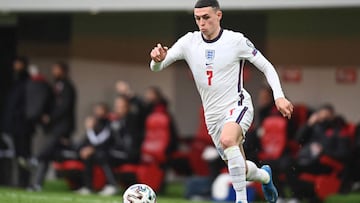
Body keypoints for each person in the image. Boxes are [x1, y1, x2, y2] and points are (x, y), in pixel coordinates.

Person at [149, 1, 293, 202]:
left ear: (219, 16)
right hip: (213, 116)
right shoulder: (189, 42)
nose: (201, 22)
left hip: (238, 105)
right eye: (198, 18)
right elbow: (157, 67)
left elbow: (266, 66)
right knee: (240, 170)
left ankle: (241, 200)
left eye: (206, 17)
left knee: (228, 140)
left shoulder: (236, 41)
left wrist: (278, 96)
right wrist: (156, 59)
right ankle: (265, 176)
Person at [29, 61, 77, 191]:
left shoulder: (68, 87)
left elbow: (64, 107)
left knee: (48, 149)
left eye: (56, 69)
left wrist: (51, 117)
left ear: (63, 71)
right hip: (54, 127)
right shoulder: (55, 86)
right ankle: (37, 184)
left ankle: (35, 159)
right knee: (48, 154)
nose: (54, 72)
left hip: (63, 127)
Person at [76, 102, 119, 196]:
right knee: (87, 157)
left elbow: (103, 140)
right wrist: (84, 149)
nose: (98, 113)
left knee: (102, 156)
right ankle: (88, 187)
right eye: (96, 110)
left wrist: (92, 149)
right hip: (97, 152)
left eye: (100, 110)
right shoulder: (95, 125)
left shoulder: (109, 124)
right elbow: (86, 141)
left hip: (110, 151)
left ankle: (112, 185)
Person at [2, 56, 31, 187]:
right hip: (10, 126)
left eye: (18, 64)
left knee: (22, 155)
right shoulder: (12, 82)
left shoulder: (27, 82)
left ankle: (24, 182)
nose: (16, 67)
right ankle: (8, 180)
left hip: (22, 127)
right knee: (8, 154)